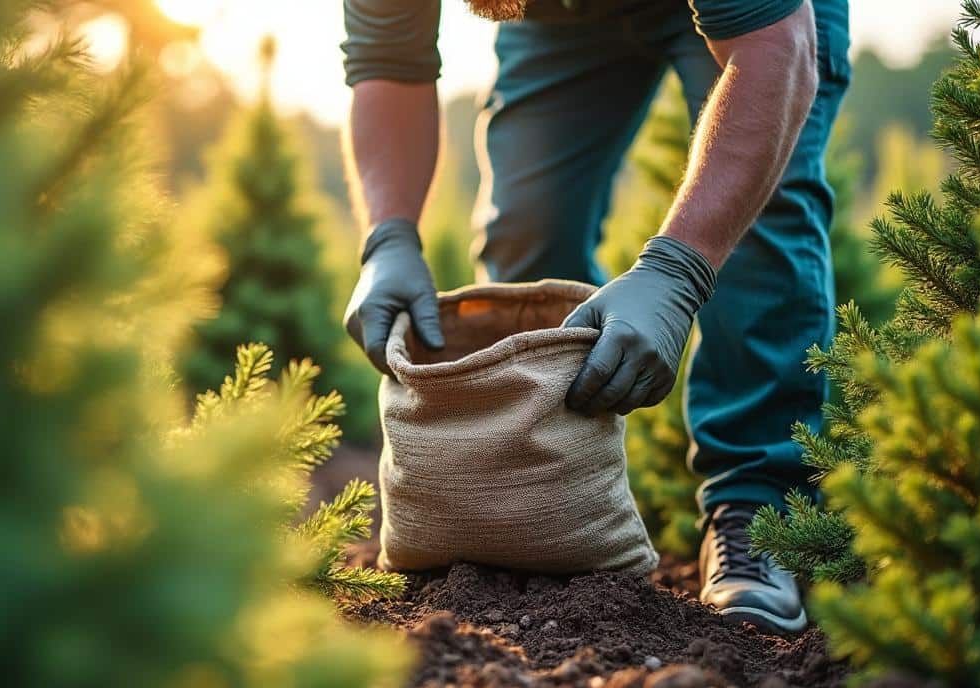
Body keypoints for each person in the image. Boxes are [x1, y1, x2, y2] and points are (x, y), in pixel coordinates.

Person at [341, 0, 850, 634]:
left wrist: (678, 270)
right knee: (526, 230)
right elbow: (387, 60)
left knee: (764, 219)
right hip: (557, 23)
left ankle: (758, 508)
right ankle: (533, 508)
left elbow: (777, 51)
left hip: (763, 22)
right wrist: (387, 238)